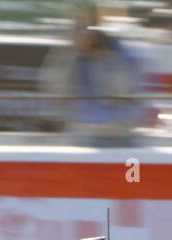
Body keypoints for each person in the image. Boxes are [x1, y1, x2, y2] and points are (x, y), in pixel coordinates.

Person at [43, 3, 145, 145]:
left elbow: (124, 96)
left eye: (85, 23)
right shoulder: (69, 55)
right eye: (77, 24)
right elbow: (55, 89)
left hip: (117, 134)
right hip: (80, 133)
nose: (83, 32)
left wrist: (106, 58)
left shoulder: (123, 55)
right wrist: (69, 53)